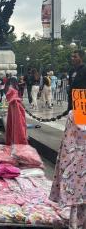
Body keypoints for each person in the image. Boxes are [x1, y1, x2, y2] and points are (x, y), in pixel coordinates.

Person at [50, 50, 86, 229]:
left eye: (75, 56)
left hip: (82, 108)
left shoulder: (84, 70)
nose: (72, 59)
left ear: (81, 57)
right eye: (70, 56)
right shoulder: (73, 72)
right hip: (76, 108)